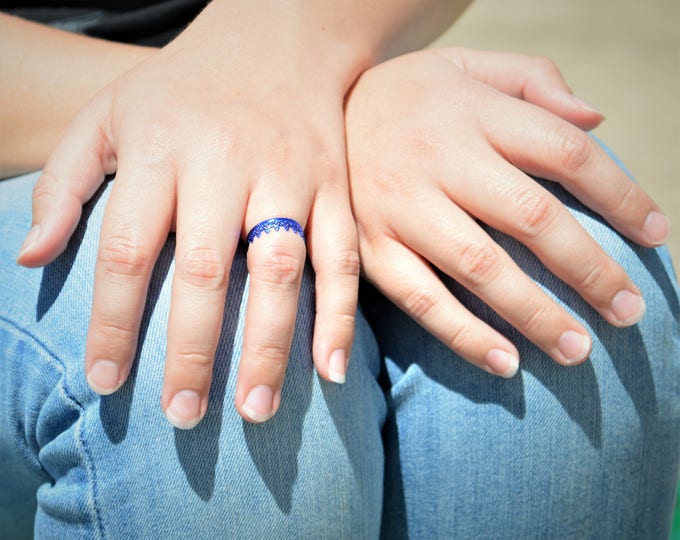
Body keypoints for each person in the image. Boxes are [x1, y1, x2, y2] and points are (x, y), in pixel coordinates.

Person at [1, 3, 678, 538]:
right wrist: (257, 103)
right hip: (41, 121)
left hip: (313, 57)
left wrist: (295, 79)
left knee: (569, 289)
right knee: (206, 381)